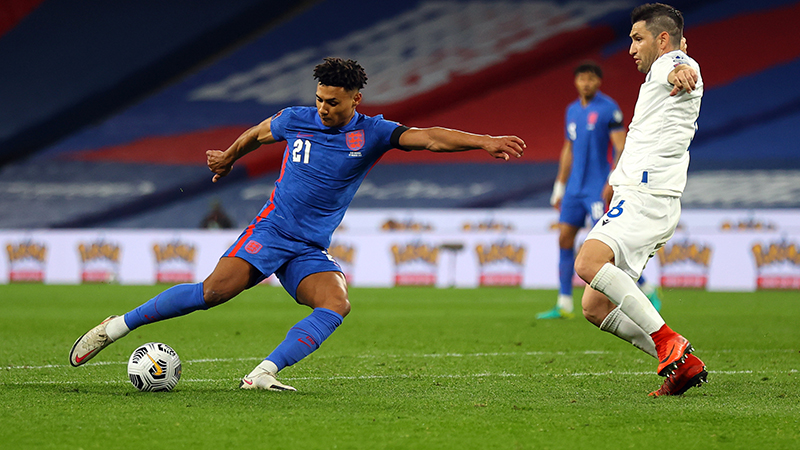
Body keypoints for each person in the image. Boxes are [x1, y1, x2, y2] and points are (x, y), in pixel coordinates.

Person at [68, 57, 525, 391]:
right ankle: (116, 327)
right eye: (320, 100)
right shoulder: (296, 119)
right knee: (211, 294)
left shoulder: (373, 133)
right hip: (271, 232)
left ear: (355, 99)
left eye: (333, 102)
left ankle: (263, 373)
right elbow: (257, 133)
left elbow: (430, 139)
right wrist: (229, 155)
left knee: (336, 304)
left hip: (308, 249)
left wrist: (483, 141)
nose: (324, 108)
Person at [573, 3, 706, 396]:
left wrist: (684, 66)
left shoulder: (672, 64)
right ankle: (683, 366)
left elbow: (684, 66)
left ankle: (668, 341)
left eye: (637, 38)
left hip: (647, 198)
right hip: (642, 196)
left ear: (661, 39)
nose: (630, 48)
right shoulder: (657, 79)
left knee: (587, 261)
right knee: (595, 307)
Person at [537, 61, 661, 320]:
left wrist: (614, 179)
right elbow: (568, 149)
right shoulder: (571, 111)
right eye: (582, 78)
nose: (586, 83)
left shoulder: (608, 109)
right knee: (564, 239)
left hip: (597, 187)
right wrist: (559, 185)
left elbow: (621, 145)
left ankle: (646, 287)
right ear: (576, 82)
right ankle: (564, 304)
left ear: (598, 82)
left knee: (607, 246)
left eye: (591, 79)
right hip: (574, 189)